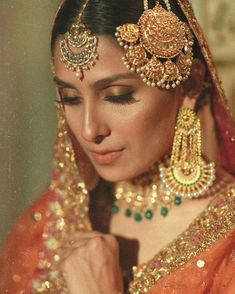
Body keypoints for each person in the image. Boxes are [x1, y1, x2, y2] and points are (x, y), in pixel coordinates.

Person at [0, 0, 235, 293]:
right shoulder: (44, 226)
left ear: (188, 85)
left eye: (118, 95)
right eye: (70, 98)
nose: (89, 130)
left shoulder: (228, 247)